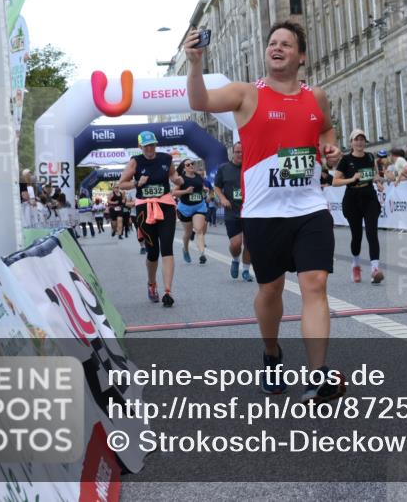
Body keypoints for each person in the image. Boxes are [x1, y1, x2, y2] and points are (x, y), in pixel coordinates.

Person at [186, 20, 346, 403]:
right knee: (270, 290)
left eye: (286, 44)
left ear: (301, 56)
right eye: (272, 43)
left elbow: (326, 130)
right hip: (263, 212)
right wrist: (195, 63)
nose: (276, 48)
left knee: (314, 285)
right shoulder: (246, 93)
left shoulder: (316, 97)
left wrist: (331, 149)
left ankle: (317, 375)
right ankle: (272, 353)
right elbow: (199, 102)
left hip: (310, 208)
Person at [118, 131, 182, 306]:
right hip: (144, 209)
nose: (150, 148)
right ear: (140, 147)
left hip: (166, 206)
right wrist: (137, 183)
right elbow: (121, 183)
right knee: (153, 252)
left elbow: (173, 175)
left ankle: (168, 291)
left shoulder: (165, 159)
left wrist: (178, 180)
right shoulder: (135, 161)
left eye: (152, 144)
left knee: (167, 248)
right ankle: (152, 283)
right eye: (146, 145)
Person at [333, 129, 386, 284]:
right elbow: (335, 182)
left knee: (372, 233)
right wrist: (352, 179)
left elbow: (373, 175)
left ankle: (375, 269)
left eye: (362, 139)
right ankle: (355, 265)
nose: (360, 142)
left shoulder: (370, 157)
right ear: (351, 143)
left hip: (369, 198)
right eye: (356, 139)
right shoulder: (345, 160)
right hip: (352, 200)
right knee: (357, 236)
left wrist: (379, 182)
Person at [214, 142, 254, 281]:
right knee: (236, 244)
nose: (240, 154)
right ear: (232, 153)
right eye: (237, 152)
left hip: (250, 210)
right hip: (232, 211)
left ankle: (246, 271)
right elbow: (217, 187)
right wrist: (223, 199)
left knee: (249, 243)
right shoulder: (224, 168)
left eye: (242, 152)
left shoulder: (251, 167)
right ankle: (235, 259)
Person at [174, 159, 209, 264]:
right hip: (185, 208)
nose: (191, 166)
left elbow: (201, 187)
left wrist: (204, 190)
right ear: (184, 168)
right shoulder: (181, 179)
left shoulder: (199, 176)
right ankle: (185, 249)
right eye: (188, 164)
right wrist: (186, 191)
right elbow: (174, 192)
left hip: (199, 206)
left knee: (199, 230)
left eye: (192, 163)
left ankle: (202, 254)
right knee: (188, 233)